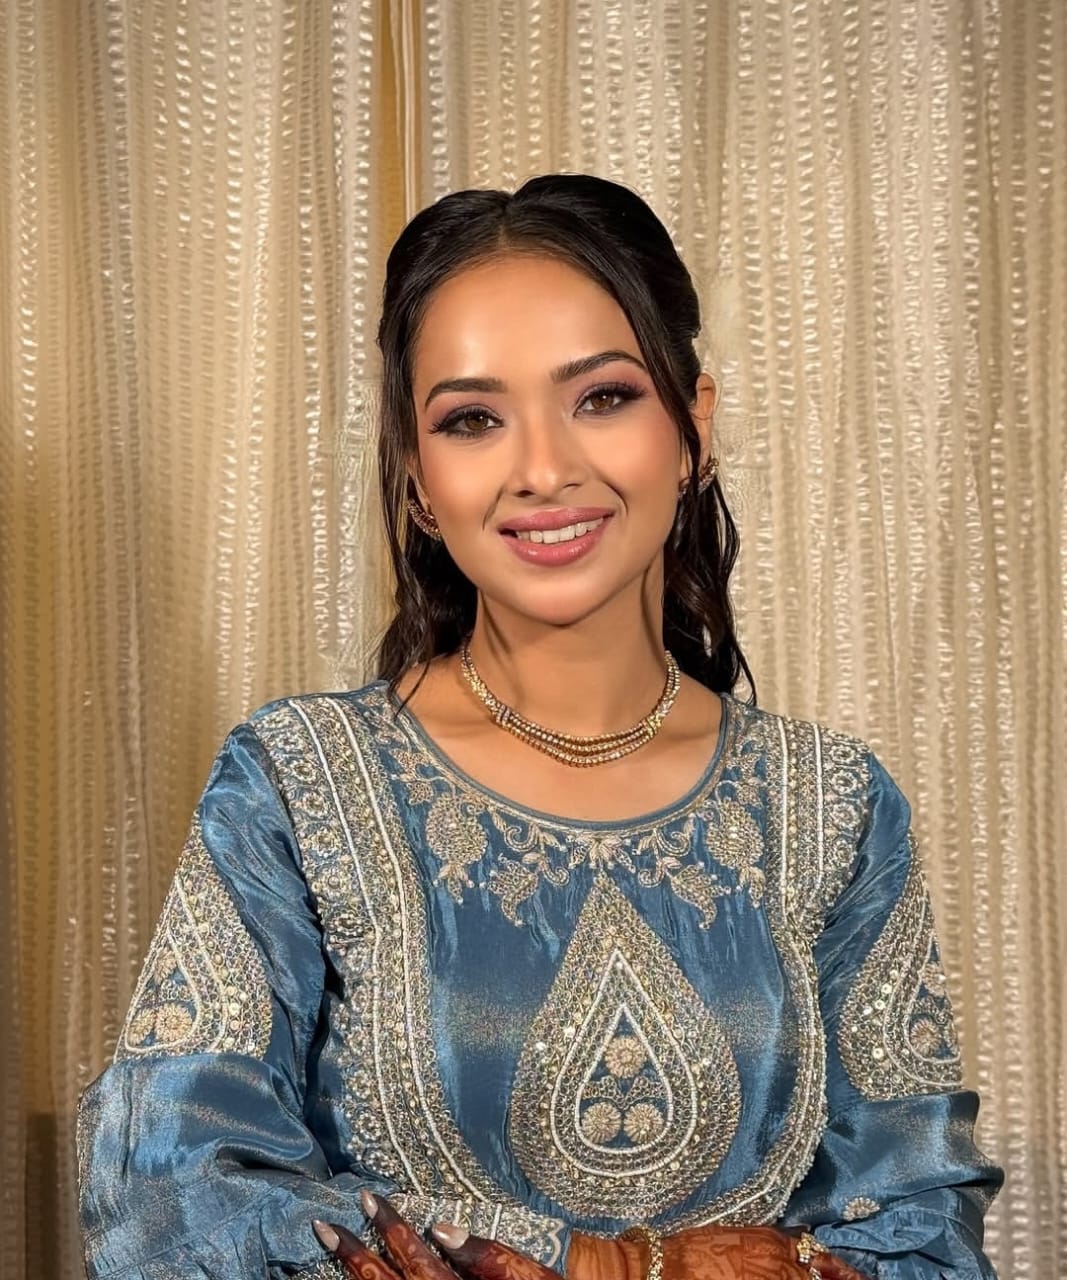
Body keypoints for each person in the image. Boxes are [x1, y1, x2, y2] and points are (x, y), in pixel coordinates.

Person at [78, 175, 1001, 1280]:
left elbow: (919, 1230)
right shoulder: (295, 785)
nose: (543, 470)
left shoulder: (831, 804)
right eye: (471, 419)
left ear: (692, 427)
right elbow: (170, 1200)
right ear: (417, 477)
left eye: (601, 398)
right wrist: (613, 1265)